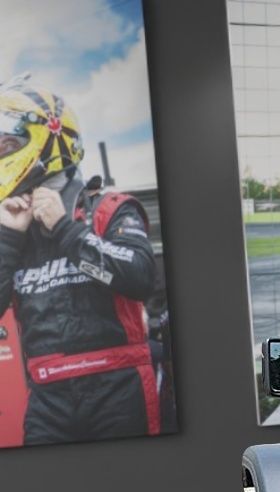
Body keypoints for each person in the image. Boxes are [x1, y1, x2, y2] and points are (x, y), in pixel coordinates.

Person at [0, 84, 160, 445]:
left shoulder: (107, 207)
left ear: (43, 140)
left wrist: (65, 229)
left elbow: (141, 277)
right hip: (47, 398)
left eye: (7, 145)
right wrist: (8, 240)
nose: (2, 153)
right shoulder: (14, 226)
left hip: (118, 388)